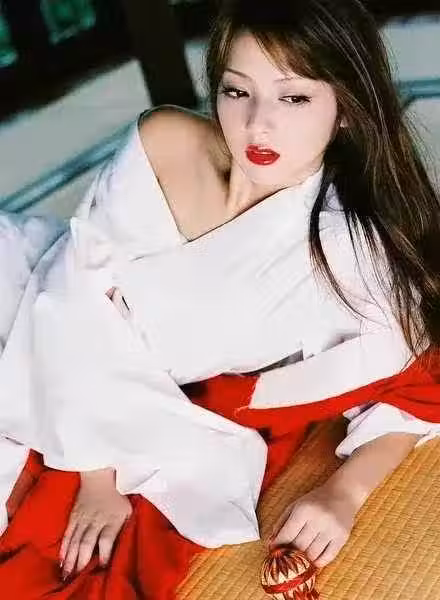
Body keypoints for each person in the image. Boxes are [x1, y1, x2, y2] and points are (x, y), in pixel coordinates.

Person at [1, 0, 440, 597]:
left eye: (294, 98)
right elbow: (69, 292)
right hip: (33, 306)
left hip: (87, 386)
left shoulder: (351, 254)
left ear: (345, 109)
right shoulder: (164, 140)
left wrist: (343, 492)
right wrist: (95, 473)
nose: (258, 125)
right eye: (238, 92)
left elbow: (414, 380)